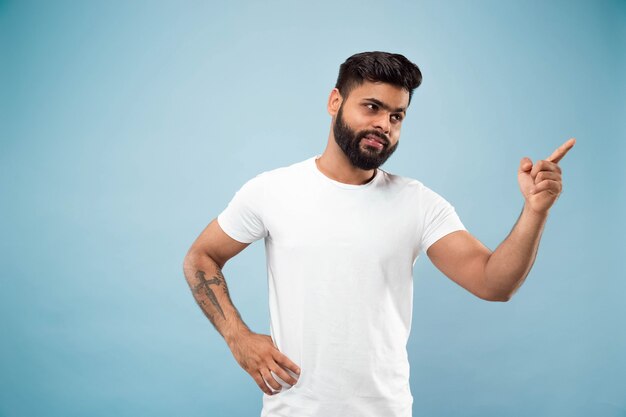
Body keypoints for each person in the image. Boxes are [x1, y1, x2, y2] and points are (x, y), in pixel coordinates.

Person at [182, 51, 575, 417]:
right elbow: (201, 256)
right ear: (335, 102)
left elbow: (494, 283)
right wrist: (238, 338)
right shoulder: (271, 190)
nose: (383, 125)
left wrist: (535, 211)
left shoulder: (419, 204)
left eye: (396, 116)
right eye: (372, 107)